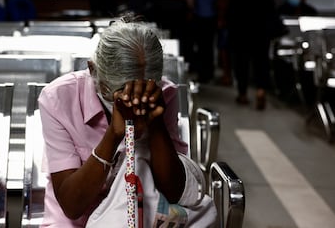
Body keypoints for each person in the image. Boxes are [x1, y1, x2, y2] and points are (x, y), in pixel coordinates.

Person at [37, 15, 216, 227]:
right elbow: (72, 206)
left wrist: (156, 123)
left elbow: (174, 191)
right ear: (94, 72)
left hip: (142, 216)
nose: (134, 100)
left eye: (146, 90)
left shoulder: (164, 94)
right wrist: (114, 135)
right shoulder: (58, 98)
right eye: (122, 91)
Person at [218, 0, 282, 110]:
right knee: (262, 57)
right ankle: (261, 90)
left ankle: (243, 93)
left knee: (241, 58)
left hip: (240, 20)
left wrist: (222, 18)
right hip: (263, 20)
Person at [190, 0, 224, 83]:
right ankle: (209, 72)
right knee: (210, 45)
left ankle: (202, 73)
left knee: (200, 45)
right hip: (213, 15)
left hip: (199, 14)